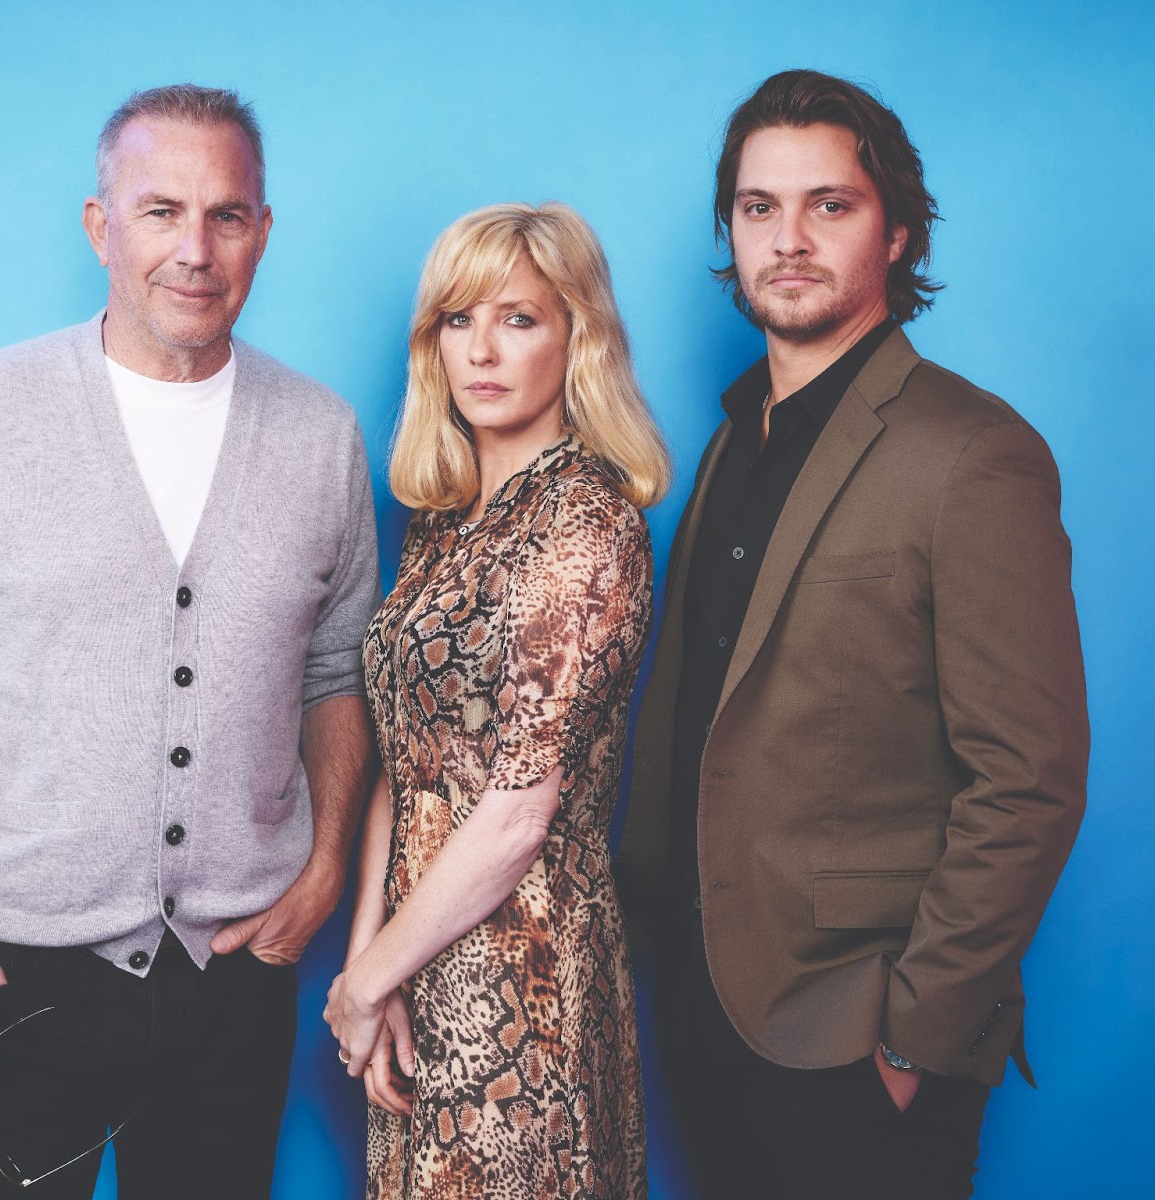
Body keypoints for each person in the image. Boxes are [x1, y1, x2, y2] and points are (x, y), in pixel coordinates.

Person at [0, 84, 377, 1198]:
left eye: (227, 215)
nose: (196, 249)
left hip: (235, 976)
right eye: (161, 210)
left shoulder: (320, 434)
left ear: (263, 231)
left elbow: (337, 672)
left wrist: (323, 869)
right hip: (10, 978)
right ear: (100, 225)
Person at [614, 69, 1089, 1199]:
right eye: (758, 206)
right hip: (704, 1000)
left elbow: (1030, 780)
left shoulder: (973, 453)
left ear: (899, 230)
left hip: (857, 1032)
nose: (788, 238)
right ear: (728, 229)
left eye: (829, 204)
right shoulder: (736, 436)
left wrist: (913, 1040)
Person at [323, 202, 671, 1200]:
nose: (481, 350)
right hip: (415, 960)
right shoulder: (443, 523)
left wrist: (364, 980)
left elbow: (519, 813)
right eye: (456, 320)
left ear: (578, 338)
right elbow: (405, 762)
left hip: (527, 967)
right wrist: (370, 972)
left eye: (517, 319)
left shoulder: (586, 520)